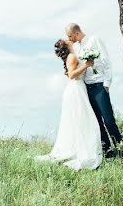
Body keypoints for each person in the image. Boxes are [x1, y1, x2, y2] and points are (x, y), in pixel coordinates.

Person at [34, 38, 103, 170]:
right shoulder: (71, 57)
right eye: (67, 39)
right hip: (75, 90)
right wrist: (86, 65)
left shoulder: (73, 55)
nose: (69, 39)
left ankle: (79, 148)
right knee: (83, 120)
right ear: (67, 45)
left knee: (80, 120)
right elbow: (71, 75)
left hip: (79, 88)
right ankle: (80, 151)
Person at [66, 22, 123, 155]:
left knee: (108, 120)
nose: (69, 39)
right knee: (97, 122)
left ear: (76, 33)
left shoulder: (94, 40)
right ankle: (107, 151)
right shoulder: (78, 49)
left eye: (70, 36)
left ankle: (121, 149)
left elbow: (106, 61)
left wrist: (107, 83)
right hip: (87, 88)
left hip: (99, 86)